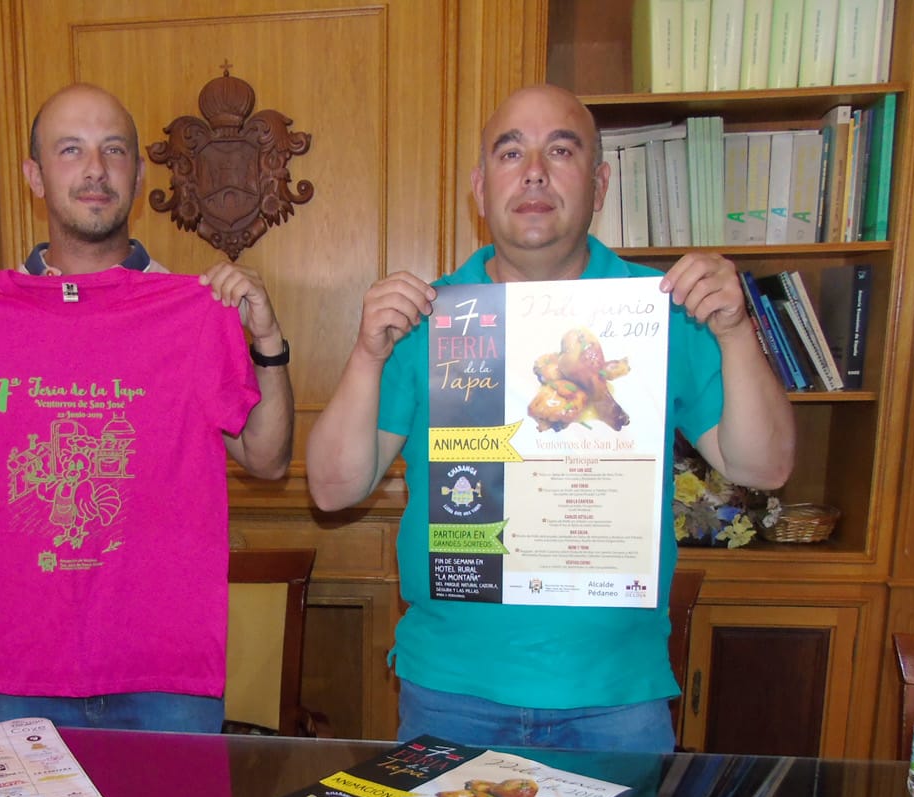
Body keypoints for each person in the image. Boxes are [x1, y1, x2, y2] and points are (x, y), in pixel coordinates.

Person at [306, 84, 795, 753]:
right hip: (451, 694)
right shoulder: (431, 318)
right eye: (511, 153)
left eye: (558, 150)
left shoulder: (657, 310)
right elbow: (332, 489)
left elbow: (762, 465)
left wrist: (736, 331)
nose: (533, 170)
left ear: (598, 185)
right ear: (480, 190)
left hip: (613, 701)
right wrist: (366, 354)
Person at [0, 84, 294, 732]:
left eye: (112, 149)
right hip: (14, 663)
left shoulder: (191, 309)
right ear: (34, 176)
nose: (94, 169)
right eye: (70, 150)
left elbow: (266, 457)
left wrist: (264, 339)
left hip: (161, 667)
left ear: (137, 173)